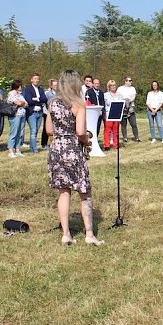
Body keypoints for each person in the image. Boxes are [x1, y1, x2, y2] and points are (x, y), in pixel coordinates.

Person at [46, 69, 103, 247]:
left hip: (56, 149)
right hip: (73, 149)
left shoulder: (52, 103)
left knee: (64, 192)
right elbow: (80, 132)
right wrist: (87, 141)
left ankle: (66, 234)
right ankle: (89, 234)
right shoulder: (78, 104)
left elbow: (49, 130)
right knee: (84, 192)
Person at [23, 73, 48, 154]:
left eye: (37, 79)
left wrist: (37, 99)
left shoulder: (40, 89)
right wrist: (38, 100)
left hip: (39, 112)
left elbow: (44, 99)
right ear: (31, 80)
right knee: (33, 131)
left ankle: (32, 147)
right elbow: (29, 100)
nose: (36, 80)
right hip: (32, 113)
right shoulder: (28, 89)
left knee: (36, 131)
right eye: (35, 78)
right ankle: (34, 149)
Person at [5, 79, 28, 158]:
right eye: (20, 85)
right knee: (14, 132)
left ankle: (17, 149)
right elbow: (18, 103)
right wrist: (21, 102)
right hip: (15, 115)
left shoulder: (20, 94)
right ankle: (11, 150)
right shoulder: (11, 93)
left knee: (20, 133)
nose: (21, 87)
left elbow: (26, 104)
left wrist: (22, 103)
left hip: (22, 115)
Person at [117, 76, 141, 143]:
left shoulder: (132, 88)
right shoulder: (120, 88)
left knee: (133, 124)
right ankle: (125, 137)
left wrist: (128, 100)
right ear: (125, 81)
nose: (131, 82)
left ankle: (136, 137)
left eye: (131, 80)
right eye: (129, 80)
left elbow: (133, 97)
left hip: (131, 108)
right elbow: (119, 97)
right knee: (123, 124)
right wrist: (125, 101)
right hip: (123, 108)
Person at [102, 80, 120, 151]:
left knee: (116, 131)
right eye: (111, 86)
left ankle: (116, 145)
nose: (113, 87)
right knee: (107, 130)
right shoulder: (105, 95)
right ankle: (107, 145)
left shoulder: (120, 95)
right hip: (109, 114)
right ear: (109, 87)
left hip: (117, 114)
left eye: (114, 85)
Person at [41, 78, 57, 150]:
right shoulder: (48, 94)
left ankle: (54, 143)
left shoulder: (59, 93)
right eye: (55, 85)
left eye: (57, 85)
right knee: (46, 128)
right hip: (48, 113)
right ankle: (44, 143)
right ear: (51, 86)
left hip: (57, 113)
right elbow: (45, 103)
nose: (56, 87)